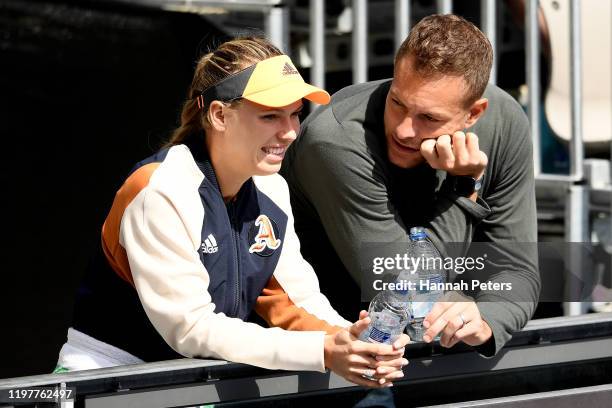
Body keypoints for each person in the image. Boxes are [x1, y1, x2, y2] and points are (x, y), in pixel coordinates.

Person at [54, 37, 409, 388]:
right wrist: (325, 350)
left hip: (187, 381)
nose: (289, 132)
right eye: (270, 116)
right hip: (105, 377)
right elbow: (192, 328)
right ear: (219, 115)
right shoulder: (161, 190)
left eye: (295, 114)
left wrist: (354, 341)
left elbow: (294, 301)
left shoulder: (271, 187)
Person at [281, 14, 540, 359]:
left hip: (439, 350)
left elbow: (517, 268)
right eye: (397, 102)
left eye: (429, 118)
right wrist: (463, 188)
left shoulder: (504, 122)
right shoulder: (336, 141)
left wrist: (486, 320)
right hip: (332, 351)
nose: (404, 129)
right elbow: (409, 290)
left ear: (474, 114)